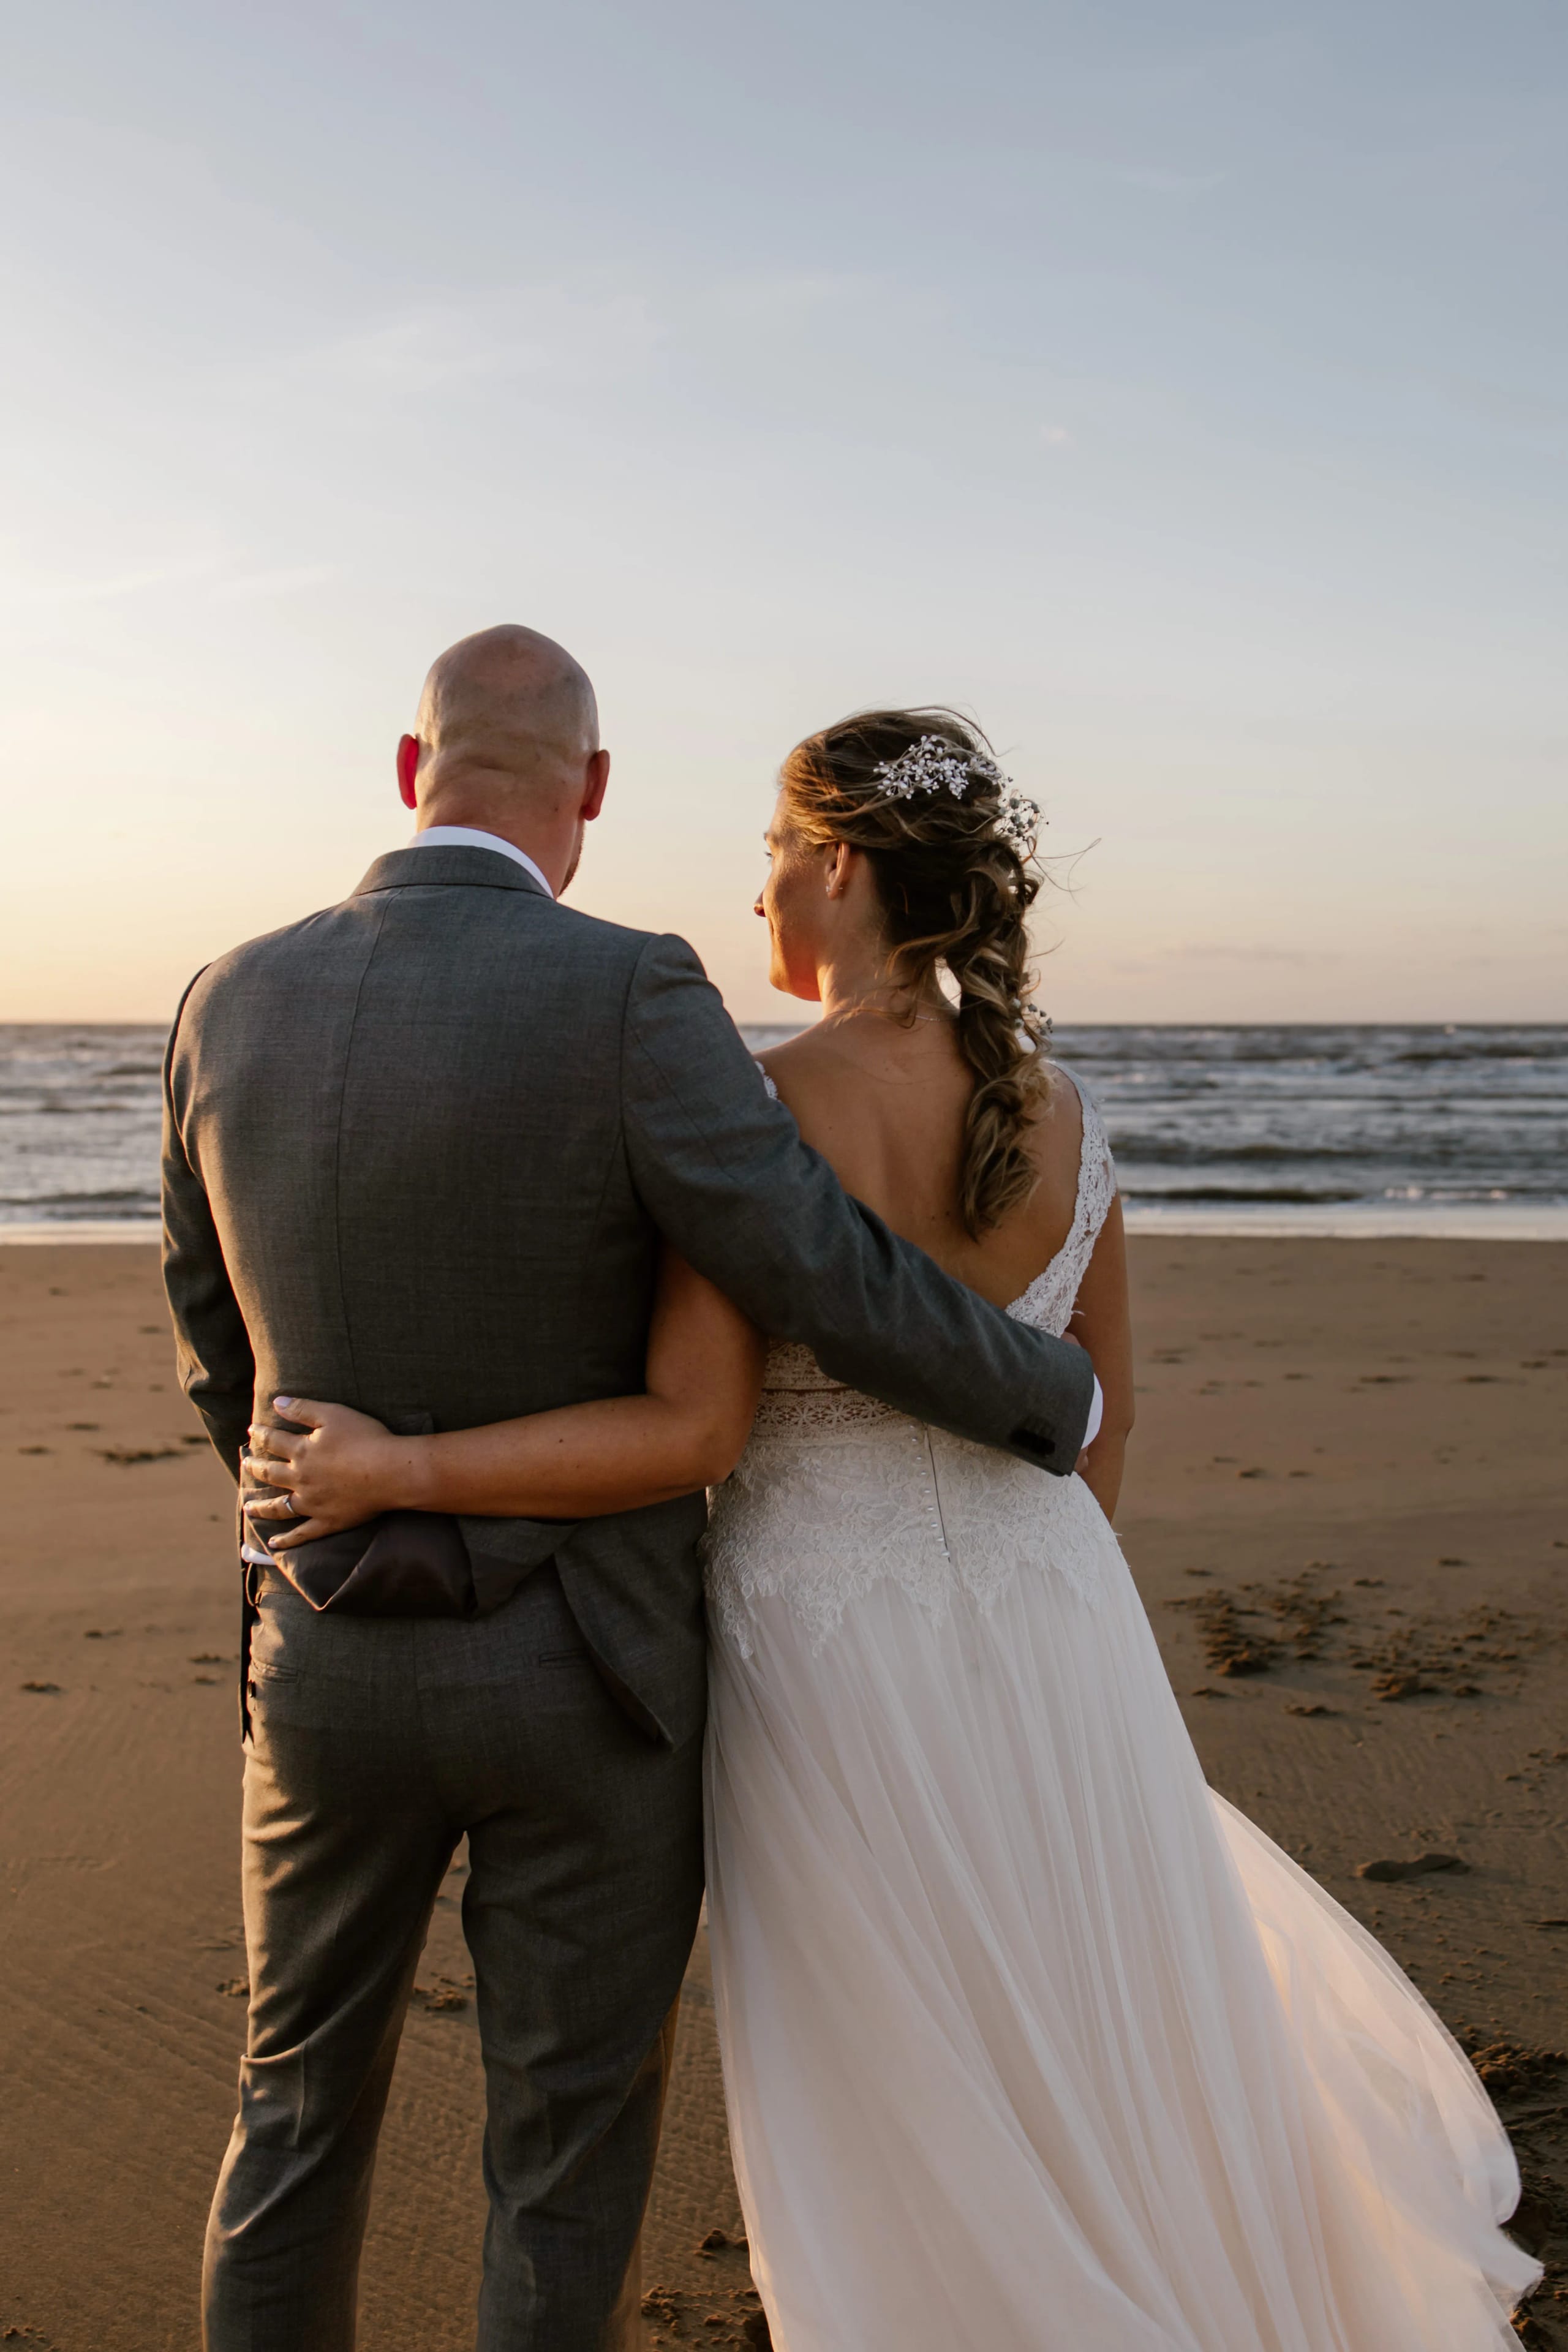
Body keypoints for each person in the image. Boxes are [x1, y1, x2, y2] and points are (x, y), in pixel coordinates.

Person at [255, 707, 1540, 2351]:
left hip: (826, 1636)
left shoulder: (759, 1102)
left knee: (890, 2051)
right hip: (1056, 1607)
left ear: (845, 866)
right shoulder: (1064, 1110)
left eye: (774, 856)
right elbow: (1100, 1418)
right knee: (1085, 2007)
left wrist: (406, 1465)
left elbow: (700, 1423)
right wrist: (1037, 1595)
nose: (758, 895)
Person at [161, 635, 1099, 2352]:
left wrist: (313, 1524)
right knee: (565, 2153)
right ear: (591, 788)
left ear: (410, 769)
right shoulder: (633, 990)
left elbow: (217, 1354)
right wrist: (1053, 1392)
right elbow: (811, 1264)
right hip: (589, 1671)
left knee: (290, 2113)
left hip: (326, 1657)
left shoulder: (226, 998)